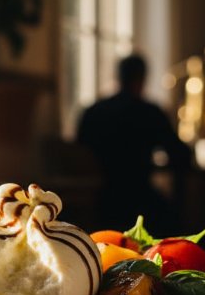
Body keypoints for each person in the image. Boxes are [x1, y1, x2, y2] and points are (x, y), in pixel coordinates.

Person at [76, 54, 191, 231]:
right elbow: (179, 153)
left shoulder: (93, 111)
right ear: (142, 78)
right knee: (176, 220)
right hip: (140, 198)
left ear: (118, 76)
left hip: (100, 200)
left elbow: (81, 152)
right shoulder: (150, 112)